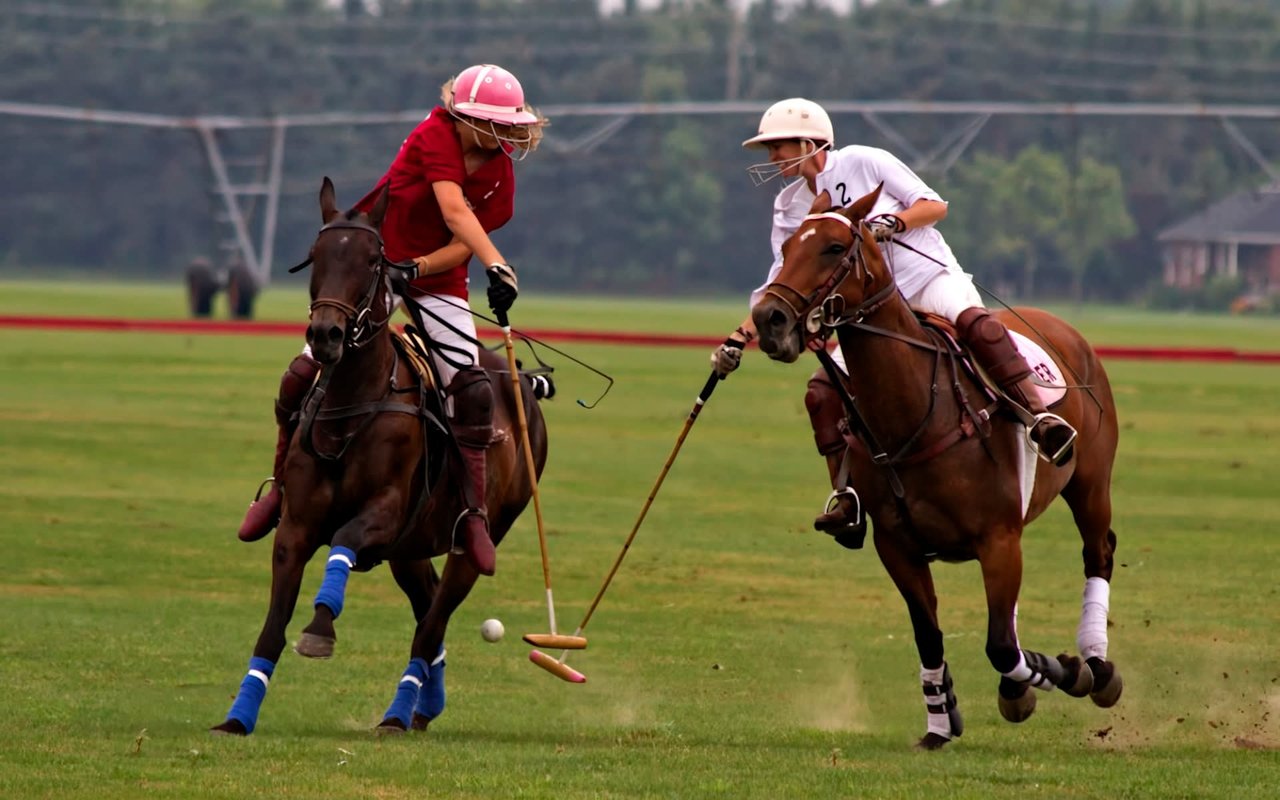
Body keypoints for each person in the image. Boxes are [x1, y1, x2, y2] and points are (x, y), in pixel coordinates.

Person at [711, 97, 1076, 542]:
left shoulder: (865, 161)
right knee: (822, 393)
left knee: (976, 325)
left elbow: (933, 205)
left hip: (926, 279)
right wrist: (739, 336)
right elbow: (781, 281)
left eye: (778, 147)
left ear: (808, 142)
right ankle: (847, 497)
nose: (771, 158)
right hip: (870, 309)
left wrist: (893, 224)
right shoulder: (789, 206)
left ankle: (1040, 418)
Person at [236, 64, 547, 577]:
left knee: (469, 389)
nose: (496, 133)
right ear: (461, 115)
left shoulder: (501, 177)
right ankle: (279, 491)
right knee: (302, 374)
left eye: (503, 124)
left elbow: (456, 244)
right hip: (374, 266)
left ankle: (472, 514)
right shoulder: (435, 135)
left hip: (434, 278)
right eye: (484, 122)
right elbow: (453, 211)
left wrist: (427, 268)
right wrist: (497, 263)